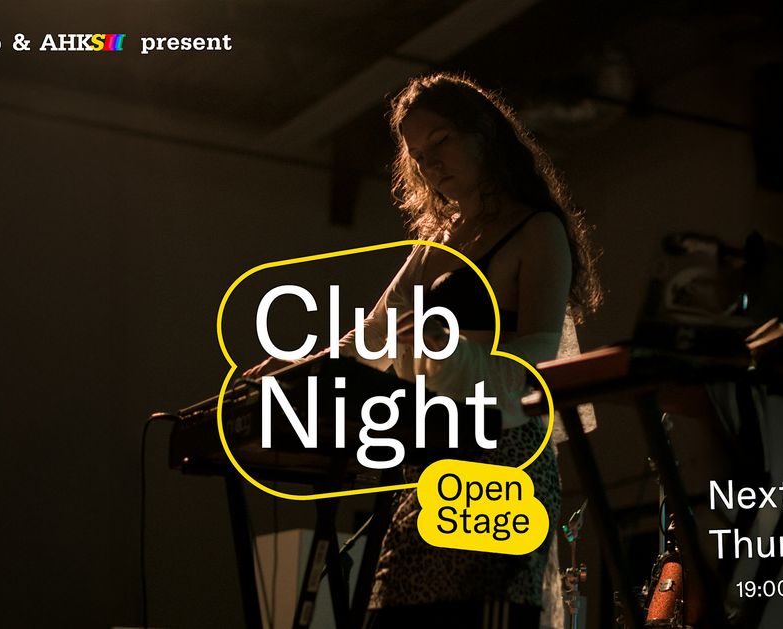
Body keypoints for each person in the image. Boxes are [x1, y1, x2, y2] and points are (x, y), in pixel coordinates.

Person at [247, 72, 602, 629]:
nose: (431, 163)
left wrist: (452, 352)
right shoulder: (437, 243)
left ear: (484, 133)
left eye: (441, 142)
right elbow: (370, 338)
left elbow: (540, 362)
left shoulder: (537, 230)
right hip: (432, 456)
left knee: (479, 616)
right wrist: (297, 368)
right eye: (418, 155)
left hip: (503, 458)